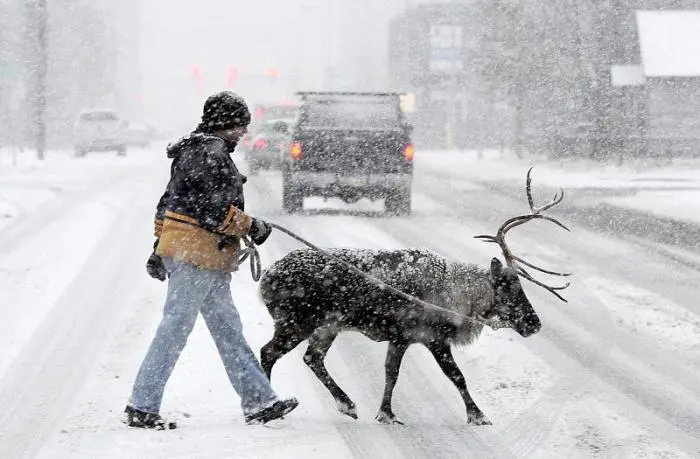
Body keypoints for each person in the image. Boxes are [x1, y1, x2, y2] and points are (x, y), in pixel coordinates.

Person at [124, 91, 298, 430]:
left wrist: (160, 245)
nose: (243, 132)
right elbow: (211, 211)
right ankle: (142, 405)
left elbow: (168, 202)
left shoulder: (194, 150)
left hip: (201, 255)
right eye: (240, 125)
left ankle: (259, 401)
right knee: (174, 329)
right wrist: (252, 226)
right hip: (196, 255)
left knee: (228, 330)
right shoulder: (210, 153)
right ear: (225, 123)